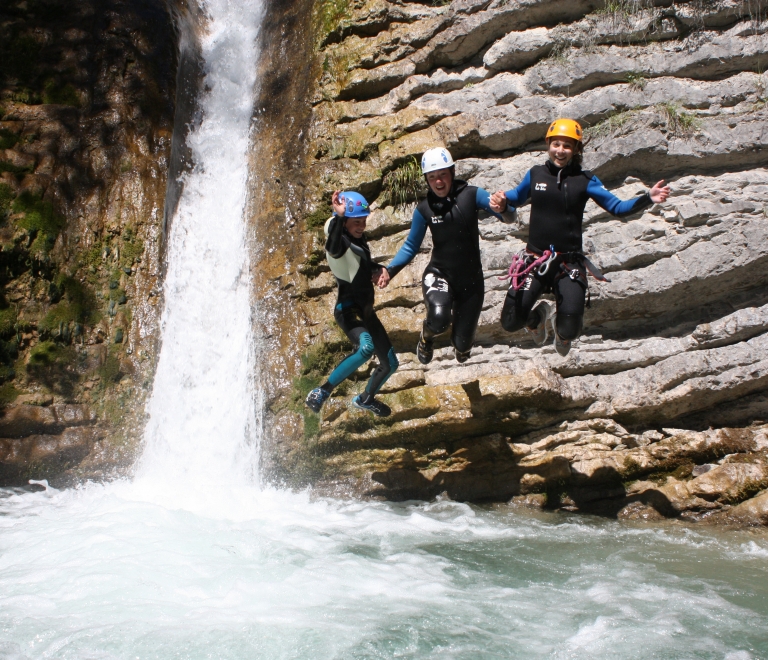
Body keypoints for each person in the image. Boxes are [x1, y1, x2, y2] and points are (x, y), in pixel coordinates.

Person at [489, 118, 670, 356]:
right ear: (548, 144)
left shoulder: (585, 180)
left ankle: (561, 331)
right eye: (556, 144)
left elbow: (618, 207)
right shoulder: (535, 175)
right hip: (536, 260)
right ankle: (537, 319)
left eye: (567, 146)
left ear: (576, 150)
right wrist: (502, 202)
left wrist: (648, 197)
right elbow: (515, 197)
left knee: (570, 329)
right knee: (511, 321)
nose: (560, 151)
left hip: (568, 263)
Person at [377, 147, 516, 364]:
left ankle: (461, 346)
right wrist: (389, 270)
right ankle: (426, 337)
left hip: (471, 282)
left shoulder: (471, 195)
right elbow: (410, 246)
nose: (438, 182)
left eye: (442, 175)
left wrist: (504, 207)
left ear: (451, 173)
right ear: (426, 180)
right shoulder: (424, 209)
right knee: (439, 319)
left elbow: (508, 218)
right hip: (439, 274)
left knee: (462, 348)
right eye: (432, 177)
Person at [305, 191, 398, 417]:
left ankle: (366, 399)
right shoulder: (340, 241)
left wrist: (379, 270)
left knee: (391, 364)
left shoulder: (358, 240)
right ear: (344, 222)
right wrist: (339, 216)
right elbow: (333, 247)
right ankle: (321, 391)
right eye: (356, 221)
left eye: (364, 220)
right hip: (347, 310)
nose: (362, 225)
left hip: (366, 313)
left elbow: (363, 266)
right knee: (365, 348)